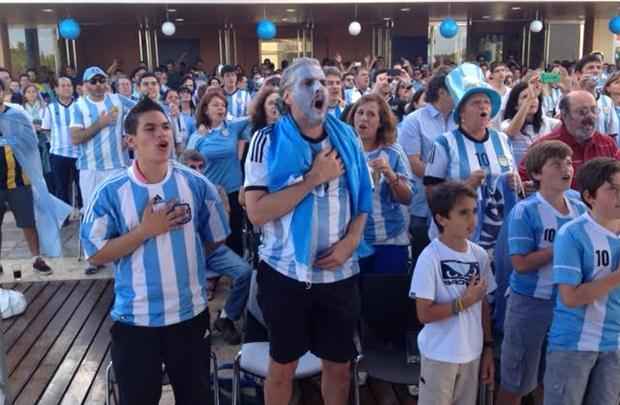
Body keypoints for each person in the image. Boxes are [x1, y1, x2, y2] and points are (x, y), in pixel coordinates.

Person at [80, 97, 229, 405]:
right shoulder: (110, 191)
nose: (162, 135)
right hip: (136, 322)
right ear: (130, 141)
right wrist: (146, 232)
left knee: (197, 399)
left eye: (165, 127)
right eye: (150, 129)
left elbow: (215, 237)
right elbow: (94, 252)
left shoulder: (197, 184)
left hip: (189, 317)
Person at [244, 57, 372, 405]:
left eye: (322, 82)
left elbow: (364, 198)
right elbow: (256, 212)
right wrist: (314, 178)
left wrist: (352, 240)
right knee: (283, 367)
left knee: (339, 366)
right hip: (286, 275)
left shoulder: (347, 138)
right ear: (286, 96)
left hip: (340, 274)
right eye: (307, 83)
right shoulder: (265, 141)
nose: (319, 88)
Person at [497, 141, 586, 405]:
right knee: (516, 381)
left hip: (568, 305)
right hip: (530, 304)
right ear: (536, 174)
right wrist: (563, 246)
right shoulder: (525, 211)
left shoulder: (579, 207)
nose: (566, 168)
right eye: (556, 164)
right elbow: (521, 263)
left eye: (568, 162)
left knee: (555, 379)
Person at [410, 182, 496, 405]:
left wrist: (487, 347)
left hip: (472, 354)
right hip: (439, 355)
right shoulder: (429, 258)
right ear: (441, 219)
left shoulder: (480, 256)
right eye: (463, 213)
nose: (472, 219)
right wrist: (463, 302)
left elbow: (483, 304)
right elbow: (424, 314)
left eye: (474, 211)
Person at [543, 157, 620, 405]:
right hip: (573, 345)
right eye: (613, 189)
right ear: (590, 196)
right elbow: (570, 297)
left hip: (614, 346)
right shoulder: (572, 234)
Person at [424, 63, 519, 251]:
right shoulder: (445, 143)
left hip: (500, 237)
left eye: (487, 102)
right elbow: (431, 193)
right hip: (458, 239)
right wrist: (466, 186)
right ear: (462, 112)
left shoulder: (502, 140)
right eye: (476, 103)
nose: (483, 107)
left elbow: (513, 177)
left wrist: (516, 183)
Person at [180, 149, 251, 345]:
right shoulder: (173, 192)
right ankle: (191, 326)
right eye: (192, 167)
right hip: (183, 253)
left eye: (201, 167)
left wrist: (204, 251)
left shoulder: (215, 190)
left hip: (212, 249)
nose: (197, 170)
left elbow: (223, 230)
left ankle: (227, 317)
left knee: (245, 272)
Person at [70, 66, 136, 275]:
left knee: (120, 211)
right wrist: (101, 123)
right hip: (91, 169)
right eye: (93, 81)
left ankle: (121, 252)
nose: (98, 85)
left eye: (102, 80)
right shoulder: (79, 106)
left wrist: (129, 136)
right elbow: (76, 138)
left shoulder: (117, 100)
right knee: (92, 213)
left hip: (117, 166)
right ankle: (93, 257)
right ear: (86, 85)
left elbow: (140, 110)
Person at [0, 80, 70, 275]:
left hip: (19, 180)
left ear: (3, 92)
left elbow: (31, 142)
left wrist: (9, 139)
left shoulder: (16, 115)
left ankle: (37, 258)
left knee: (28, 222)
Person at [348, 94, 412, 273]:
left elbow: (408, 198)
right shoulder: (344, 150)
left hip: (389, 241)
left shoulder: (393, 152)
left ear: (382, 122)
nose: (363, 118)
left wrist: (390, 175)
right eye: (360, 112)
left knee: (385, 299)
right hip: (352, 243)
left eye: (371, 114)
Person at [399, 73, 456, 263]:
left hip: (456, 205)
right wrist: (450, 180)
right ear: (442, 92)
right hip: (423, 206)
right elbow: (413, 163)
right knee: (423, 262)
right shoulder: (414, 121)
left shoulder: (461, 119)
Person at [186, 89, 249, 257]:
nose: (221, 108)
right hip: (210, 193)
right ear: (206, 109)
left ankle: (237, 276)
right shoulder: (198, 135)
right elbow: (186, 163)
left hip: (233, 191)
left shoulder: (234, 127)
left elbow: (255, 115)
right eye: (215, 105)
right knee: (214, 237)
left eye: (223, 105)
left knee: (235, 235)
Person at [518, 91, 619, 188]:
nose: (590, 116)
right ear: (564, 115)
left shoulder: (607, 143)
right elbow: (521, 182)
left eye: (594, 110)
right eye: (582, 112)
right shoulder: (543, 147)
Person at [502, 77, 561, 166]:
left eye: (535, 97)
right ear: (515, 105)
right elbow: (510, 133)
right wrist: (529, 100)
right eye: (524, 97)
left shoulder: (549, 123)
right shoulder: (506, 124)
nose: (532, 100)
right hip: (519, 175)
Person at [42, 76, 81, 207]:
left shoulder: (80, 106)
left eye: (69, 85)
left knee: (82, 186)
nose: (66, 88)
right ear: (56, 89)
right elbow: (46, 130)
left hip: (80, 154)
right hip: (58, 154)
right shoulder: (50, 108)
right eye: (63, 86)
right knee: (61, 187)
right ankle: (64, 218)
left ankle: (84, 214)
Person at [573, 54, 619, 138]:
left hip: (601, 149)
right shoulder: (569, 98)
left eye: (599, 68)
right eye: (590, 67)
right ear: (578, 74)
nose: (595, 71)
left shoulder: (607, 101)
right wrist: (579, 89)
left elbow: (612, 133)